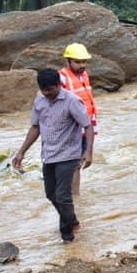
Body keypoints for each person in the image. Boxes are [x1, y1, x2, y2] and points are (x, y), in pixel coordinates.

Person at [11, 68, 92, 243]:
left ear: (58, 85)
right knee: (50, 194)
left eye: (50, 90)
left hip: (69, 154)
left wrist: (88, 152)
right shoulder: (40, 100)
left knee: (63, 195)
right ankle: (73, 220)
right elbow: (35, 128)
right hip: (49, 154)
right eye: (43, 90)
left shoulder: (72, 101)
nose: (47, 93)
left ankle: (67, 236)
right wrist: (21, 152)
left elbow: (88, 126)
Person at [58, 43, 97, 198]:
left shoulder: (84, 75)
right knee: (72, 163)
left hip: (85, 126)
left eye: (84, 62)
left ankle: (75, 196)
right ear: (68, 61)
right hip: (70, 127)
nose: (82, 65)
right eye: (78, 62)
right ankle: (72, 196)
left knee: (78, 163)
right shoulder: (61, 77)